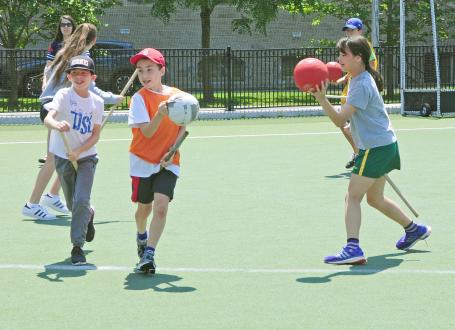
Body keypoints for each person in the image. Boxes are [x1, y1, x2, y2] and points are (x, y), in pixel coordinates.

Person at [310, 36, 431, 265]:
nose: (339, 59)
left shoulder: (362, 84)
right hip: (384, 145)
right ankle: (414, 230)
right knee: (375, 199)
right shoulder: (358, 78)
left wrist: (322, 99)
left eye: (343, 55)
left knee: (352, 196)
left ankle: (352, 248)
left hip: (376, 149)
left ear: (359, 58)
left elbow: (340, 120)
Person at [22, 23, 123, 221]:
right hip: (56, 108)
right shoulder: (82, 59)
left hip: (53, 105)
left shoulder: (64, 52)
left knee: (71, 153)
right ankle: (32, 204)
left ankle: (52, 195)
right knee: (53, 159)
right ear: (93, 41)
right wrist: (114, 97)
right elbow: (91, 89)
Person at [128, 48, 187, 274]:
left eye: (149, 69)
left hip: (168, 162)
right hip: (142, 160)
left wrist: (172, 151)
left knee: (161, 207)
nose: (144, 75)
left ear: (162, 70)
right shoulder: (138, 99)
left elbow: (183, 126)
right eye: (140, 70)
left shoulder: (179, 97)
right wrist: (160, 114)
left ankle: (149, 254)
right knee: (144, 208)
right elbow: (148, 133)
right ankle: (141, 236)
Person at [44, 55, 103, 265]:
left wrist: (79, 151)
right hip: (63, 156)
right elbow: (49, 117)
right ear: (69, 76)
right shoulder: (63, 95)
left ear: (92, 77)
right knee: (72, 204)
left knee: (81, 200)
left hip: (86, 157)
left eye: (84, 73)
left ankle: (77, 247)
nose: (79, 77)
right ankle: (89, 214)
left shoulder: (97, 102)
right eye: (75, 73)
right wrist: (55, 124)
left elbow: (96, 135)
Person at [336, 18, 378, 169]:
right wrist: (341, 79)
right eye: (347, 30)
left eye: (352, 30)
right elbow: (352, 70)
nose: (348, 33)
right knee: (347, 126)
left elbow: (371, 66)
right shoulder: (350, 47)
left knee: (348, 124)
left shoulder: (364, 45)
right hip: (350, 91)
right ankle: (358, 152)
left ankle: (360, 153)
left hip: (358, 93)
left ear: (360, 31)